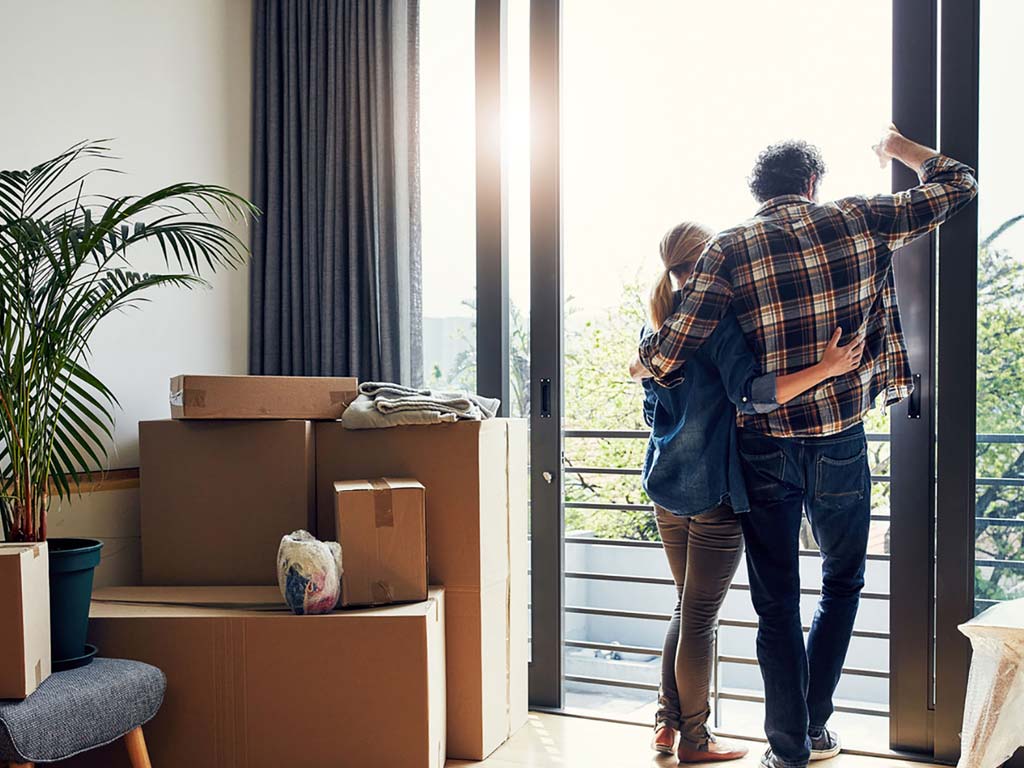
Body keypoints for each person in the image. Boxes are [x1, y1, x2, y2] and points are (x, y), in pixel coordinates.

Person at [633, 127, 978, 768]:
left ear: (757, 192)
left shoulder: (729, 249)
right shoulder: (859, 218)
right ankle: (815, 724)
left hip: (764, 449)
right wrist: (901, 149)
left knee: (775, 605)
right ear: (812, 184)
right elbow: (959, 184)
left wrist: (652, 354)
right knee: (842, 581)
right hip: (841, 440)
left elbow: (662, 356)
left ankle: (789, 748)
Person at [638, 222, 864, 762]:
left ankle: (667, 725)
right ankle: (694, 739)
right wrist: (827, 367)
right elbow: (752, 395)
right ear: (712, 263)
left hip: (666, 488)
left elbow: (653, 411)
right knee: (699, 616)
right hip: (714, 494)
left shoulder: (659, 329)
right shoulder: (717, 325)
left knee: (685, 608)